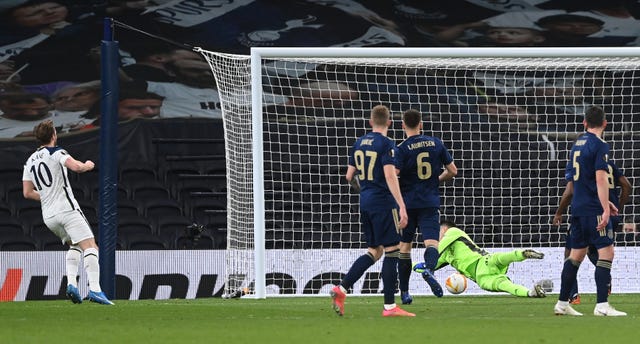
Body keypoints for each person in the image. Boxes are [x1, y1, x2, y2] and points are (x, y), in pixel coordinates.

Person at [330, 104, 413, 317]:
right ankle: (389, 307)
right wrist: (401, 205)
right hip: (384, 203)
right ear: (389, 123)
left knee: (375, 251)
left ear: (370, 122)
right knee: (393, 250)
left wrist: (366, 188)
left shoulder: (358, 143)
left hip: (365, 202)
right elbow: (389, 175)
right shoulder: (387, 144)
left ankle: (342, 288)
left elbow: (349, 176)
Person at [22, 119, 113, 305]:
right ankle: (95, 289)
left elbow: (27, 193)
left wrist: (48, 196)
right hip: (67, 209)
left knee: (75, 245)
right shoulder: (56, 152)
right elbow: (76, 167)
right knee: (91, 246)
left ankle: (72, 284)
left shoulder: (29, 161)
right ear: (54, 135)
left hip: (48, 216)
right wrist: (88, 164)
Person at [553, 105, 626, 316]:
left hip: (578, 209)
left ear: (584, 123)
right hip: (594, 209)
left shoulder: (577, 144)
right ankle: (602, 305)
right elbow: (600, 178)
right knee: (606, 252)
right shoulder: (600, 145)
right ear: (605, 123)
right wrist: (605, 207)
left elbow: (576, 184)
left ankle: (562, 303)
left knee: (575, 255)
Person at [395, 109, 457, 303]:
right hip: (429, 202)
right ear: (421, 124)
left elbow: (394, 174)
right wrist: (436, 180)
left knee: (404, 248)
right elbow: (453, 171)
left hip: (407, 204)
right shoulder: (436, 143)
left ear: (403, 125)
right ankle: (429, 269)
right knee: (432, 243)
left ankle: (404, 293)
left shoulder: (401, 148)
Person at [552, 158, 631, 305]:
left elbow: (570, 191)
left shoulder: (580, 165)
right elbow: (627, 185)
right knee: (598, 250)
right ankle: (605, 280)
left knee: (571, 253)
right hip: (610, 215)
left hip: (588, 214)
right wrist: (618, 208)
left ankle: (572, 296)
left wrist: (559, 212)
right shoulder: (608, 164)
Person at [414, 219, 547, 298]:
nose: (437, 235)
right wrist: (407, 264)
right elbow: (428, 266)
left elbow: (435, 252)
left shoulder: (453, 231)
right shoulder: (446, 256)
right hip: (481, 278)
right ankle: (530, 293)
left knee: (501, 258)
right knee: (505, 286)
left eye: (439, 231)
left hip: (483, 261)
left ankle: (522, 254)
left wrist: (427, 264)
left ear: (444, 228)